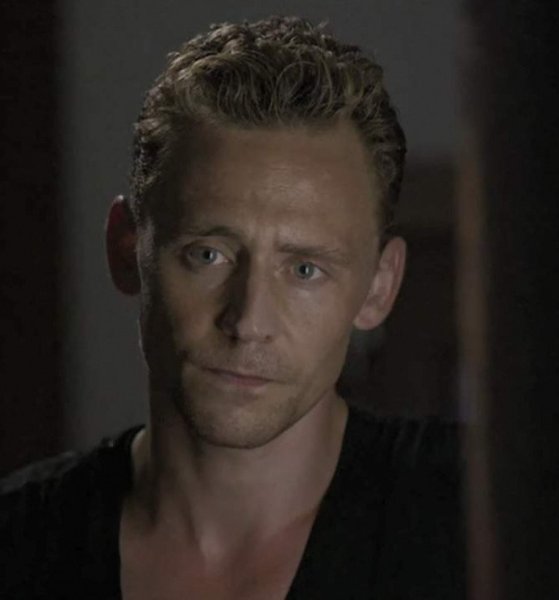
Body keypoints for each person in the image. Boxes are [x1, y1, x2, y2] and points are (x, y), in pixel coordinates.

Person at [0, 17, 464, 599]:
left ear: (379, 286)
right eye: (209, 255)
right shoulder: (18, 547)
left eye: (304, 269)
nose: (247, 322)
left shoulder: (484, 522)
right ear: (126, 248)